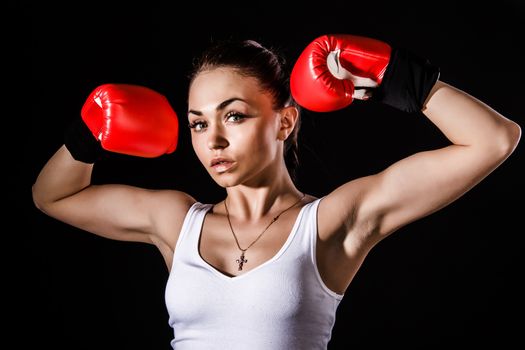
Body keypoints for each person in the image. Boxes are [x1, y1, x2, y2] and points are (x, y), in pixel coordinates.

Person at [32, 34, 521, 349]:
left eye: (235, 115)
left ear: (285, 120)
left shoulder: (331, 222)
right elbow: (53, 196)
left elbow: (493, 140)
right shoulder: (176, 221)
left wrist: (399, 78)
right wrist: (87, 135)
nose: (213, 140)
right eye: (199, 123)